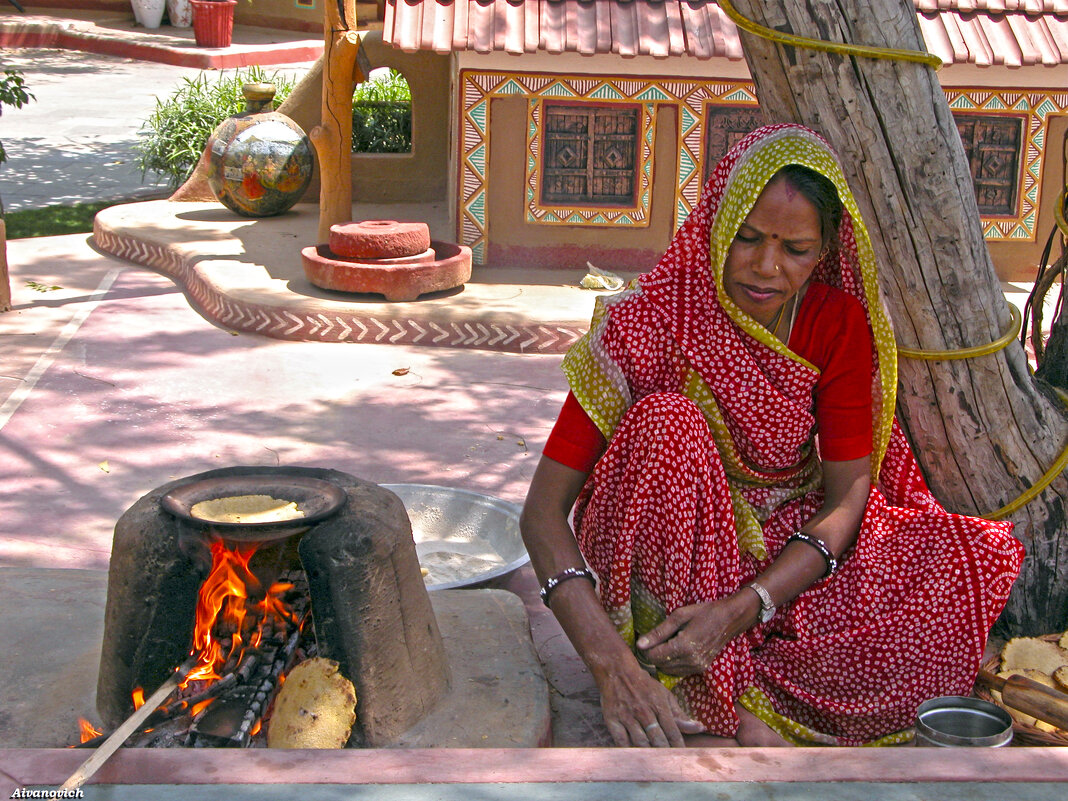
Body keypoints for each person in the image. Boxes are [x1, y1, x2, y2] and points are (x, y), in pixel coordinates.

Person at [520, 124, 1025, 747]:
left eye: (796, 249)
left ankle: (729, 670)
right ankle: (673, 674)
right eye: (748, 239)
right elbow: (541, 515)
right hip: (664, 528)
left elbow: (846, 496)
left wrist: (746, 606)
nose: (766, 268)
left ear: (825, 251)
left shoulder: (834, 322)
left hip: (783, 537)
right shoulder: (650, 319)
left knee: (971, 554)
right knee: (668, 426)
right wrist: (608, 665)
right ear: (715, 226)